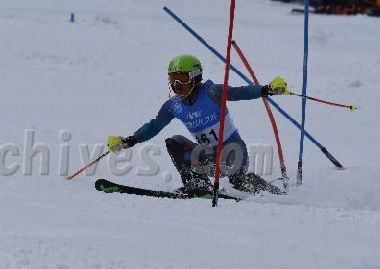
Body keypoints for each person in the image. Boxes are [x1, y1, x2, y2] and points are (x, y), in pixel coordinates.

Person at [107, 55, 287, 195]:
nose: (177, 84)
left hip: (233, 150)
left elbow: (240, 92)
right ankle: (197, 184)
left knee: (237, 181)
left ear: (195, 78)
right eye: (173, 78)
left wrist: (267, 89)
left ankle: (270, 191)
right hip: (207, 156)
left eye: (182, 78)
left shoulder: (212, 92)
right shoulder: (173, 106)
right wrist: (130, 140)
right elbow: (154, 126)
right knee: (174, 142)